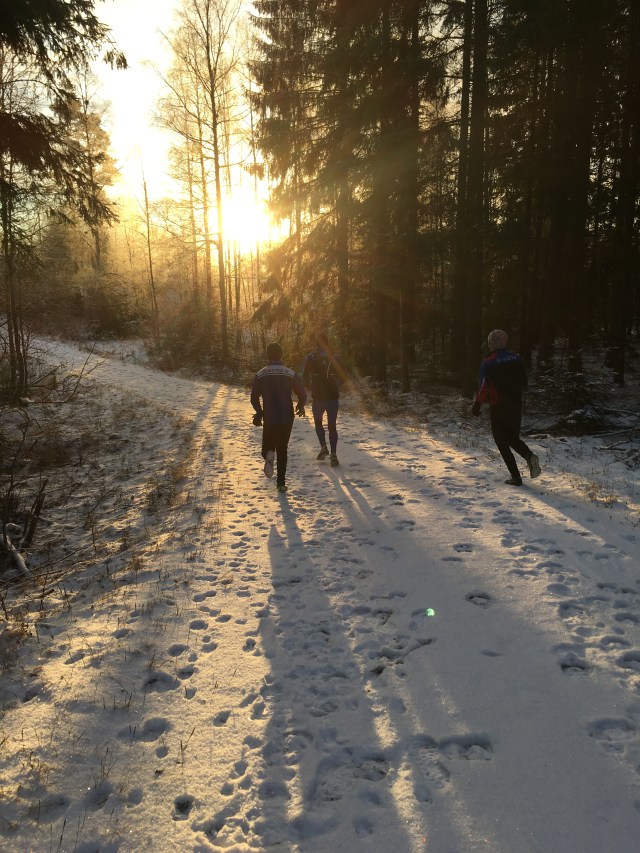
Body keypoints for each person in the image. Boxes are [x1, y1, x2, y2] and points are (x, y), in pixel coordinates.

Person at [471, 329, 541, 486]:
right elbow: (524, 383)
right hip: (516, 403)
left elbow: (483, 386)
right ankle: (523, 465)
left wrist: (477, 405)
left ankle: (521, 468)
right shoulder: (516, 358)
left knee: (500, 439)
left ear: (491, 343)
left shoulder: (488, 362)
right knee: (512, 437)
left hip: (499, 405)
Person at [251, 342, 307, 493]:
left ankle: (268, 453)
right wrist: (300, 405)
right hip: (286, 417)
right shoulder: (290, 373)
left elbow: (254, 397)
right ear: (281, 355)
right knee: (283, 448)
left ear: (268, 356)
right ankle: (281, 483)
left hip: (269, 416)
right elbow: (303, 394)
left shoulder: (261, 374)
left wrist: (259, 412)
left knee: (268, 446)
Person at [301, 331, 344, 466]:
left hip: (318, 398)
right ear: (328, 343)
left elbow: (304, 375)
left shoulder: (310, 357)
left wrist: (309, 388)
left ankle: (323, 447)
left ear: (315, 344)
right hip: (333, 397)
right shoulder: (335, 357)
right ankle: (334, 454)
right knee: (332, 426)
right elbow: (343, 376)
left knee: (318, 423)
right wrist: (336, 384)